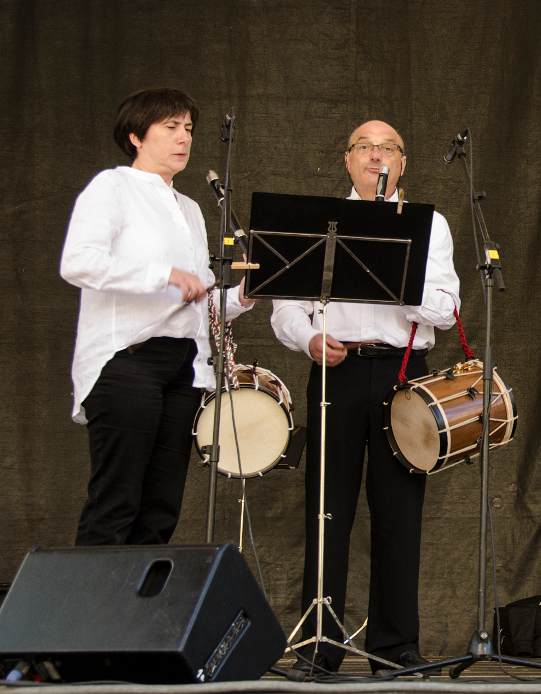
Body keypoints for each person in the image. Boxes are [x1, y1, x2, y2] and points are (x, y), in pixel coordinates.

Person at [271, 120, 460, 676]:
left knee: (399, 512)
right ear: (348, 159)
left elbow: (446, 309)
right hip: (337, 371)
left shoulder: (430, 224)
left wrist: (395, 280)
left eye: (388, 149)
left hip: (405, 374)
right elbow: (285, 307)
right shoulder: (320, 222)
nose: (376, 156)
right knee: (327, 509)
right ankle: (318, 647)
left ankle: (395, 647)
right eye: (365, 148)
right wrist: (309, 339)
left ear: (403, 163)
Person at [62, 87, 254, 546]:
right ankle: (98, 597)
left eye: (188, 128)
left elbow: (198, 299)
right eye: (170, 127)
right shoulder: (112, 187)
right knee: (116, 503)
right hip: (127, 361)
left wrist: (242, 296)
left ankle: (145, 596)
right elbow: (78, 263)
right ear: (136, 136)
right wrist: (162, 274)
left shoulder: (190, 209)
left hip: (182, 368)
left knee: (161, 510)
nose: (184, 137)